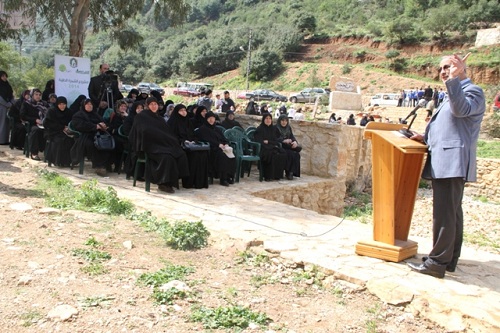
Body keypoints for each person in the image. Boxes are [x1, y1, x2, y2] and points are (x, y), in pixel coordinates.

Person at [407, 53, 486, 279]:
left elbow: (461, 110)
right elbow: (449, 126)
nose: (443, 72)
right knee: (452, 213)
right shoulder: (451, 93)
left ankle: (436, 262)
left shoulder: (473, 91)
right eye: (441, 68)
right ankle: (449, 260)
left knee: (443, 214)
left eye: (448, 67)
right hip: (444, 158)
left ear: (462, 68)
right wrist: (425, 137)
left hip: (453, 161)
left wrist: (454, 79)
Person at [128, 97, 189, 193]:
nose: (154, 106)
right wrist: (156, 136)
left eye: (155, 104)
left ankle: (172, 181)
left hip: (162, 145)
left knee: (180, 154)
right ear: (147, 106)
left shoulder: (159, 118)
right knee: (167, 158)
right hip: (149, 146)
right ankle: (163, 183)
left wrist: (169, 140)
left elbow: (167, 133)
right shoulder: (141, 117)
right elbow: (142, 132)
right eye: (151, 104)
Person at [167, 103, 209, 189]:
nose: (183, 112)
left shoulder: (188, 121)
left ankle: (198, 183)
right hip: (178, 146)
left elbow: (192, 134)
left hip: (191, 145)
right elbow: (171, 136)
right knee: (192, 155)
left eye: (184, 110)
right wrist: (182, 141)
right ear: (177, 112)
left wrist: (193, 140)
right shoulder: (172, 122)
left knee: (202, 154)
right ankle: (188, 182)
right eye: (181, 110)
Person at [71, 98, 112, 176]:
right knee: (93, 144)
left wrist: (104, 126)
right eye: (87, 104)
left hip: (98, 135)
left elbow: (103, 122)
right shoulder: (78, 115)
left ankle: (105, 165)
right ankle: (98, 166)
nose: (89, 106)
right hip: (85, 136)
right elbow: (80, 126)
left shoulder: (95, 114)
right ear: (83, 105)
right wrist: (95, 126)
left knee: (106, 143)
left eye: (91, 104)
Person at [196, 111, 236, 186]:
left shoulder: (217, 129)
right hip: (211, 150)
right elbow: (205, 140)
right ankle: (223, 179)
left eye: (213, 118)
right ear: (206, 119)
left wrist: (226, 144)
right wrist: (218, 145)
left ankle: (229, 177)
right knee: (223, 156)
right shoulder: (203, 129)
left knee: (232, 156)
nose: (211, 120)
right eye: (209, 118)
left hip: (221, 148)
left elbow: (224, 138)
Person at [254, 113, 287, 181]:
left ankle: (277, 175)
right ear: (263, 119)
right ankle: (268, 176)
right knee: (270, 154)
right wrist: (267, 143)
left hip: (271, 146)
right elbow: (258, 140)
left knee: (282, 153)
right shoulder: (260, 129)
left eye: (269, 118)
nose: (268, 120)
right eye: (266, 118)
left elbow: (276, 140)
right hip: (263, 148)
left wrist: (269, 142)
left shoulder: (273, 129)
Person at [43, 96, 74, 167]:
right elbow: (47, 123)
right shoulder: (52, 111)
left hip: (65, 132)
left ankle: (66, 162)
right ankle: (56, 161)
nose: (62, 106)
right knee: (59, 141)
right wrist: (61, 127)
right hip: (53, 132)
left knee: (69, 140)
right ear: (57, 104)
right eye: (60, 104)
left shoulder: (69, 112)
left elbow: (71, 122)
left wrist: (67, 128)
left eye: (64, 104)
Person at [20, 89, 49, 160]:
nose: (38, 96)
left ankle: (50, 153)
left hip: (44, 124)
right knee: (36, 130)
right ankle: (34, 153)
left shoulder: (44, 104)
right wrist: (35, 120)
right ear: (32, 95)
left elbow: (49, 114)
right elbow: (22, 115)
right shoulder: (26, 104)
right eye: (36, 94)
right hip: (32, 124)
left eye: (39, 95)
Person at [275, 115, 301, 180]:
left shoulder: (288, 128)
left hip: (288, 146)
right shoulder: (275, 128)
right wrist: (283, 140)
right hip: (280, 147)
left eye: (286, 121)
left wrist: (295, 142)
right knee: (289, 154)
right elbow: (274, 138)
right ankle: (289, 172)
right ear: (279, 121)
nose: (284, 122)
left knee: (296, 154)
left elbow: (292, 137)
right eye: (282, 120)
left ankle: (291, 172)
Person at [0, 70, 15, 145]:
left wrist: (11, 103)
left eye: (5, 76)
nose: (4, 77)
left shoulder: (8, 85)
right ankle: (1, 140)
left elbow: (11, 95)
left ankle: (6, 140)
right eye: (3, 76)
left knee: (7, 124)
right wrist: (7, 104)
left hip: (8, 107)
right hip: (1, 107)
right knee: (2, 123)